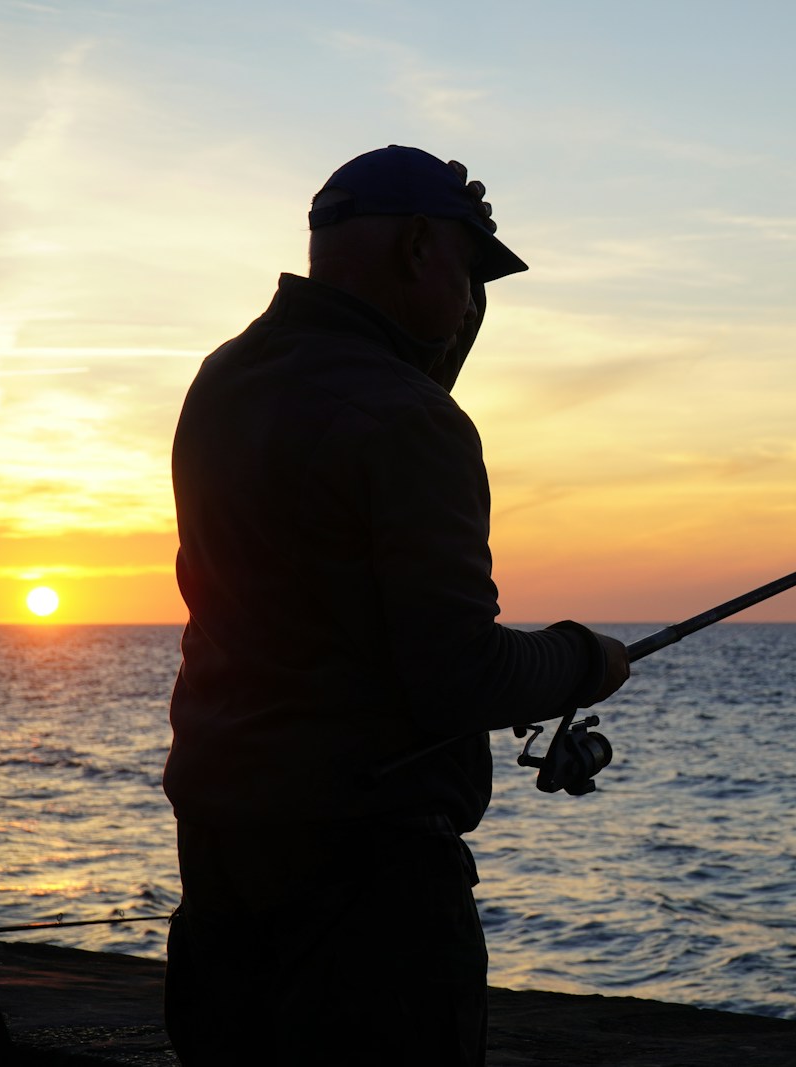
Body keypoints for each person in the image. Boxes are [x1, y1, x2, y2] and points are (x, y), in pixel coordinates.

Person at [163, 145, 630, 1065]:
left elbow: (369, 430)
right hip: (369, 897)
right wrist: (586, 658)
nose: (470, 304)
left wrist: (457, 293)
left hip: (222, 858)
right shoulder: (414, 422)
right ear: (418, 245)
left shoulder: (224, 380)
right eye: (467, 274)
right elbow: (461, 673)